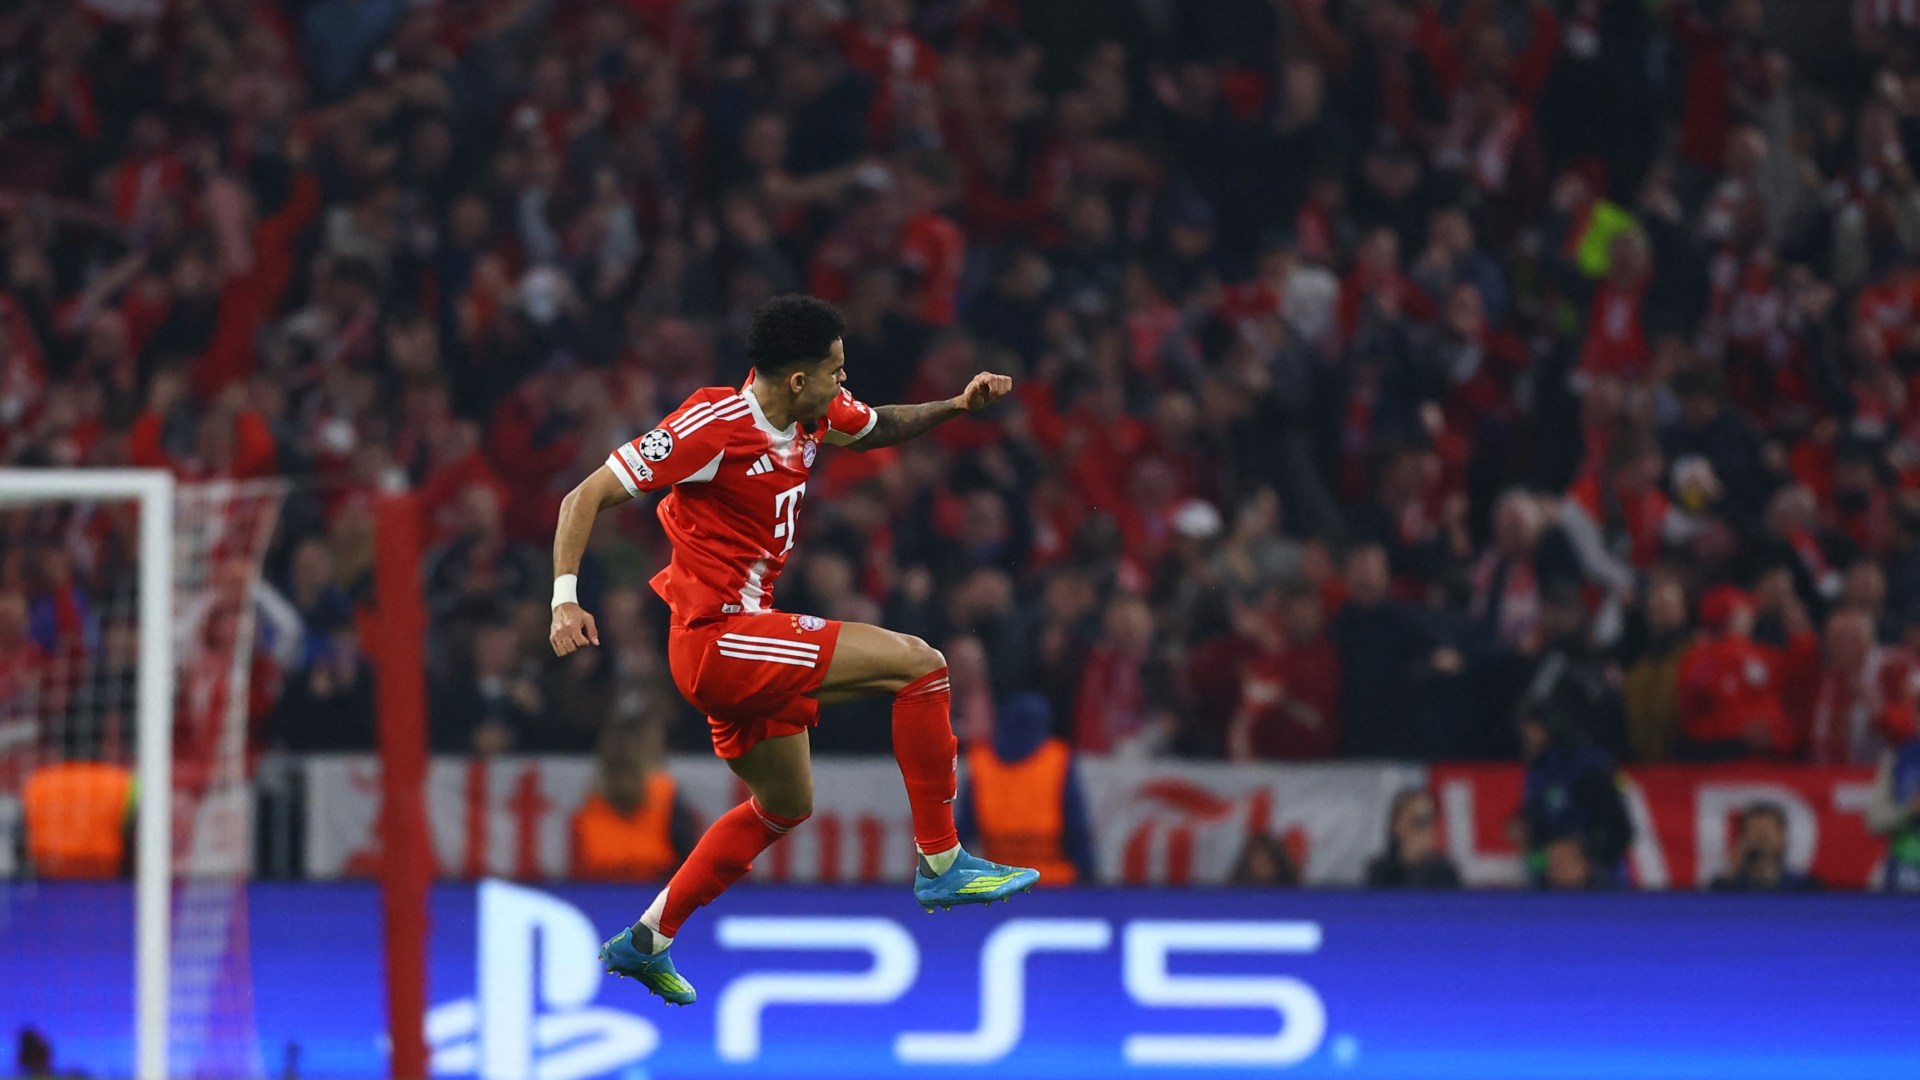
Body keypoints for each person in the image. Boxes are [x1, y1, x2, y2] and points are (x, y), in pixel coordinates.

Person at [549, 295, 1036, 1005]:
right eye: (836, 370)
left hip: (743, 639)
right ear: (798, 379)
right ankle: (942, 861)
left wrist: (958, 405)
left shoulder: (814, 411)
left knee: (784, 803)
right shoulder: (711, 426)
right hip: (719, 639)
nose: (845, 382)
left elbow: (877, 428)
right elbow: (582, 497)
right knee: (921, 665)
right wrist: (565, 599)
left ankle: (647, 939)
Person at [957, 693, 1096, 886]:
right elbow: (1076, 829)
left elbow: (963, 831)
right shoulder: (1057, 759)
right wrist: (1089, 879)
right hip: (1052, 883)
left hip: (998, 882)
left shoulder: (981, 762)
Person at [570, 719, 699, 882]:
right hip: (652, 886)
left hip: (611, 888)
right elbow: (686, 850)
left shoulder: (591, 800)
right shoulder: (665, 791)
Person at [1709, 802, 1821, 891]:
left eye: (1768, 831)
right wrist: (1733, 872)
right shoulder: (1724, 886)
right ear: (1743, 837)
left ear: (1783, 837)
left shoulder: (1804, 887)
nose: (1761, 837)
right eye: (1755, 830)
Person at [1365, 788, 1462, 888]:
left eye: (1430, 820)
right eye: (1419, 821)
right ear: (1397, 824)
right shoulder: (1380, 871)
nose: (1426, 829)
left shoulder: (1445, 873)